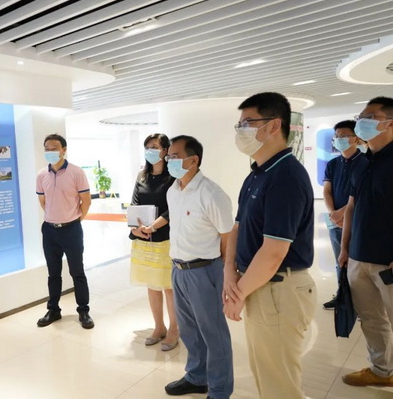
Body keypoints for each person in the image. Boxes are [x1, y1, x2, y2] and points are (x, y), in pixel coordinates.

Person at [223, 92, 316, 399]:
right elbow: (237, 227)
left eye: (248, 123)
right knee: (266, 373)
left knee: (280, 385)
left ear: (274, 125)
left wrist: (237, 295)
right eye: (239, 124)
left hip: (279, 289)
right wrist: (229, 273)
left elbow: (274, 252)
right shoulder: (258, 173)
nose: (241, 131)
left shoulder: (286, 175)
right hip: (258, 285)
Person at [163, 135, 234, 399]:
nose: (169, 161)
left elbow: (228, 237)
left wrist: (224, 272)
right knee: (190, 331)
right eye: (168, 156)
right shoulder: (173, 191)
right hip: (178, 269)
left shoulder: (211, 193)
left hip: (205, 271)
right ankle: (196, 377)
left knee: (213, 334)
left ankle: (220, 389)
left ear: (193, 160)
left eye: (175, 156)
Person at [338, 96, 393, 387]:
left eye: (370, 117)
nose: (362, 122)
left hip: (388, 260)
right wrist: (345, 248)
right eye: (361, 117)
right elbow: (351, 207)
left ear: (390, 123)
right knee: (371, 318)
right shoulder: (360, 163)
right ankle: (382, 371)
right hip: (359, 256)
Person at [35, 133, 94, 329]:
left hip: (72, 230)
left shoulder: (76, 172)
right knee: (53, 273)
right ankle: (53, 310)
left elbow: (86, 201)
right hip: (49, 230)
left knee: (77, 271)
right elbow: (43, 201)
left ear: (64, 150)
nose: (50, 152)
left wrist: (74, 220)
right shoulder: (41, 175)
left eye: (54, 148)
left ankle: (83, 311)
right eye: (47, 149)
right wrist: (55, 218)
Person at [129, 133, 178, 351]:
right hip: (144, 239)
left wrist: (154, 226)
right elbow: (134, 203)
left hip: (165, 238)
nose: (150, 150)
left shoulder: (173, 177)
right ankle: (159, 327)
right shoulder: (142, 176)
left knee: (168, 287)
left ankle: (174, 329)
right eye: (147, 146)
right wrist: (135, 227)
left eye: (155, 146)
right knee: (152, 285)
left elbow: (173, 207)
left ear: (165, 150)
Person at [322, 120, 368, 310]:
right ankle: (342, 295)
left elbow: (362, 195)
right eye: (336, 136)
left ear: (355, 138)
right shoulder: (333, 164)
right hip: (335, 222)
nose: (338, 139)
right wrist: (334, 214)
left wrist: (343, 213)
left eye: (343, 136)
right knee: (339, 260)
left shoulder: (365, 163)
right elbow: (327, 191)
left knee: (356, 262)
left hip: (357, 221)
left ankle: (360, 301)